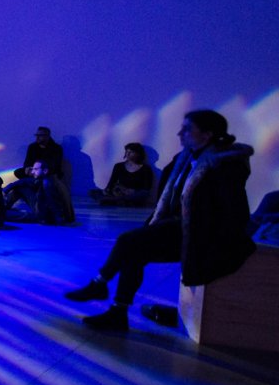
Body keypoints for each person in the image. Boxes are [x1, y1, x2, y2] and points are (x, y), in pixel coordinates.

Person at [64, 110, 255, 331]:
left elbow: (232, 210)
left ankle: (99, 284)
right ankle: (118, 312)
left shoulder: (224, 166)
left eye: (187, 129)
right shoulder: (186, 159)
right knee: (133, 252)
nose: (180, 133)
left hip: (199, 232)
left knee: (127, 241)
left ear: (207, 134)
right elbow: (170, 198)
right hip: (178, 225)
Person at [6, 160, 74, 225]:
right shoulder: (48, 179)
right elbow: (23, 181)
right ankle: (4, 207)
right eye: (33, 169)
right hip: (41, 207)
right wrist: (5, 190)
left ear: (45, 171)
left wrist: (58, 220)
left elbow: (54, 204)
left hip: (44, 217)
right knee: (20, 187)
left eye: (36, 169)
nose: (33, 172)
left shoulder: (47, 184)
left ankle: (3, 210)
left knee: (6, 215)